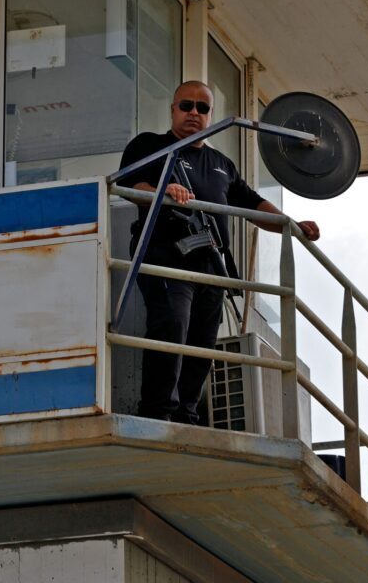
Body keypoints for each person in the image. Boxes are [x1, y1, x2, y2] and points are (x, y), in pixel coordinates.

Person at [117, 80, 320, 424]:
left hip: (211, 264)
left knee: (203, 340)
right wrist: (164, 190)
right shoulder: (151, 145)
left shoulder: (221, 164)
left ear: (211, 115)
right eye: (186, 106)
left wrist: (293, 225)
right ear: (173, 109)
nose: (193, 113)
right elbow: (129, 184)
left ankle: (186, 414)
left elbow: (252, 203)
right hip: (167, 256)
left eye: (202, 108)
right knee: (172, 325)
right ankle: (157, 410)